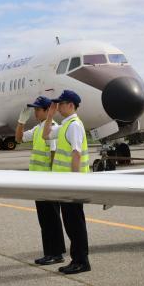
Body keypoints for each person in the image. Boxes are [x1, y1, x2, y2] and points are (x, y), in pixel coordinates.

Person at [43, 90, 91, 274]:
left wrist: (74, 182)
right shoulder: (65, 125)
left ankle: (82, 261)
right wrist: (50, 115)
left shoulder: (74, 125)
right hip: (65, 185)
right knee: (70, 225)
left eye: (61, 104)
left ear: (71, 105)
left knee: (75, 225)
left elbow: (76, 154)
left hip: (72, 185)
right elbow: (46, 135)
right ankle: (76, 260)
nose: (58, 107)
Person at [15, 96, 66, 266]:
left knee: (52, 219)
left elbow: (53, 154)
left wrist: (52, 181)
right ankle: (49, 253)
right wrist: (21, 121)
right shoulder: (38, 129)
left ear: (46, 111)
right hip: (38, 181)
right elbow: (19, 139)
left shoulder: (51, 129)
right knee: (45, 220)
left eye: (38, 109)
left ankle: (57, 253)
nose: (35, 112)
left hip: (48, 181)